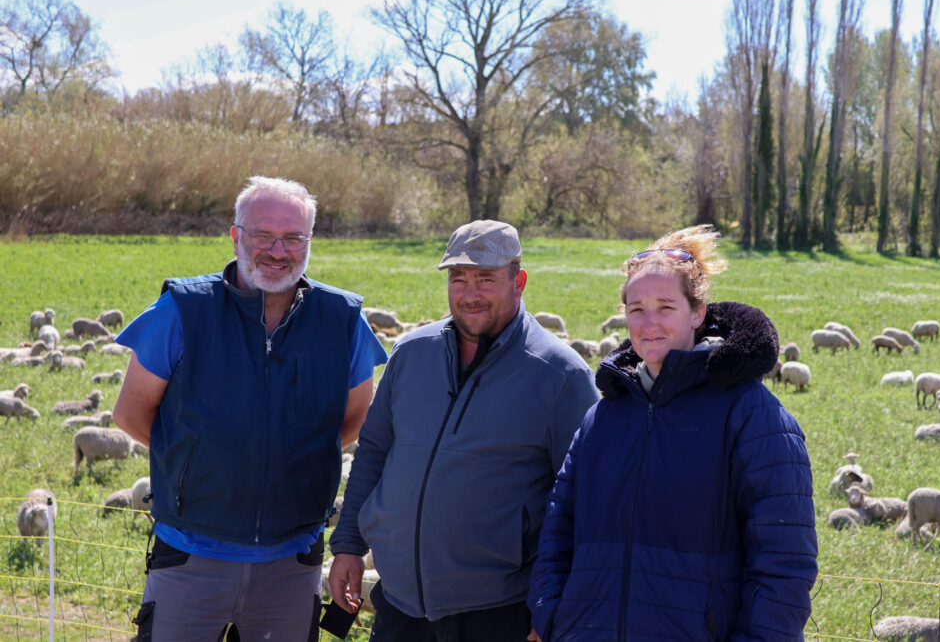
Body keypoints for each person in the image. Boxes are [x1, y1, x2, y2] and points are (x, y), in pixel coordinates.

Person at [111, 176, 388, 640]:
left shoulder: (342, 319)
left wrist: (290, 461)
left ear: (310, 241)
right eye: (263, 235)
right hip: (190, 556)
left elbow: (357, 416)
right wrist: (194, 463)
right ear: (236, 236)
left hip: (292, 561)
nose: (278, 251)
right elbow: (131, 414)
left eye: (293, 237)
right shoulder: (182, 310)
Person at [527, 225, 818, 641]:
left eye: (666, 307)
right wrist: (552, 617)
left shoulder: (750, 414)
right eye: (637, 309)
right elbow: (560, 527)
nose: (649, 324)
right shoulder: (604, 416)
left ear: (697, 313)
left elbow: (784, 560)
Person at [327, 219, 600, 641]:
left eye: (486, 278)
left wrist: (554, 603)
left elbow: (584, 502)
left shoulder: (561, 375)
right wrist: (348, 545)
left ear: (518, 281)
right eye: (459, 278)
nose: (470, 294)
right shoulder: (412, 353)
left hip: (498, 611)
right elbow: (375, 449)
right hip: (399, 604)